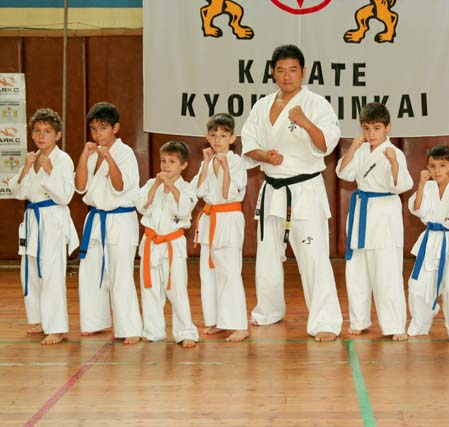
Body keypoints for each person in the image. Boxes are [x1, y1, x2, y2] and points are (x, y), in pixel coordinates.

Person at [241, 44, 342, 342]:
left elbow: (326, 145)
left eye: (293, 70)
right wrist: (265, 156)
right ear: (273, 72)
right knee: (267, 255)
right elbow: (248, 144)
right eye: (281, 70)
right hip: (272, 189)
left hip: (304, 190)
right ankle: (268, 310)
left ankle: (325, 321)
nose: (287, 76)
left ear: (303, 72)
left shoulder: (316, 104)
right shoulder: (262, 106)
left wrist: (305, 122)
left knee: (313, 256)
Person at [336, 102, 412, 340]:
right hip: (361, 210)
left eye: (376, 128)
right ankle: (359, 319)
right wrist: (352, 147)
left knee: (386, 272)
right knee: (357, 270)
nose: (371, 134)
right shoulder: (361, 150)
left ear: (387, 127)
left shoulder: (393, 152)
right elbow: (343, 173)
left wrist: (394, 163)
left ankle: (395, 325)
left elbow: (401, 185)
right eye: (366, 128)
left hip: (383, 211)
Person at [8, 108, 79, 345]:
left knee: (51, 273)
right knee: (30, 272)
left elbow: (65, 196)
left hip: (52, 219)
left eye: (47, 131)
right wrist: (26, 168)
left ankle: (57, 327)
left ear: (57, 135)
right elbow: (18, 192)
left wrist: (49, 171)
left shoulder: (63, 159)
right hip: (33, 219)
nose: (41, 135)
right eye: (37, 131)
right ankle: (38, 319)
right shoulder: (32, 158)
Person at [75, 101, 142, 344]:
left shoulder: (125, 153)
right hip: (96, 219)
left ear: (115, 128)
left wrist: (109, 159)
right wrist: (84, 156)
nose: (97, 134)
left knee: (120, 275)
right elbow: (80, 186)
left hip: (120, 219)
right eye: (93, 129)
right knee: (90, 272)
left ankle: (130, 328)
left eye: (102, 128)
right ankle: (95, 322)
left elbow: (120, 186)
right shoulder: (92, 153)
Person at [407, 145, 449, 344]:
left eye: (442, 165)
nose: (437, 171)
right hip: (431, 239)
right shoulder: (428, 187)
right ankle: (420, 324)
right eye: (432, 166)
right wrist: (420, 185)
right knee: (418, 285)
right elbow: (417, 209)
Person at [137, 140, 199, 348]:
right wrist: (156, 185)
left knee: (177, 289)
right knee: (150, 288)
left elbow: (184, 210)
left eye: (172, 161)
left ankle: (186, 331)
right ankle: (153, 331)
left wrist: (170, 186)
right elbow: (142, 207)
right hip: (151, 242)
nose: (166, 165)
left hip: (173, 244)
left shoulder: (187, 189)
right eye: (163, 161)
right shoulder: (150, 184)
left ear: (183, 165)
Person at [193, 113, 249, 342]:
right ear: (207, 137)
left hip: (228, 218)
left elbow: (228, 193)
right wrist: (207, 163)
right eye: (213, 135)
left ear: (232, 139)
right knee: (209, 273)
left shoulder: (237, 162)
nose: (218, 139)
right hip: (210, 218)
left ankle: (239, 325)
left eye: (223, 135)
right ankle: (217, 320)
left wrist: (225, 168)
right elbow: (199, 191)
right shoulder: (206, 162)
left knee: (229, 271)